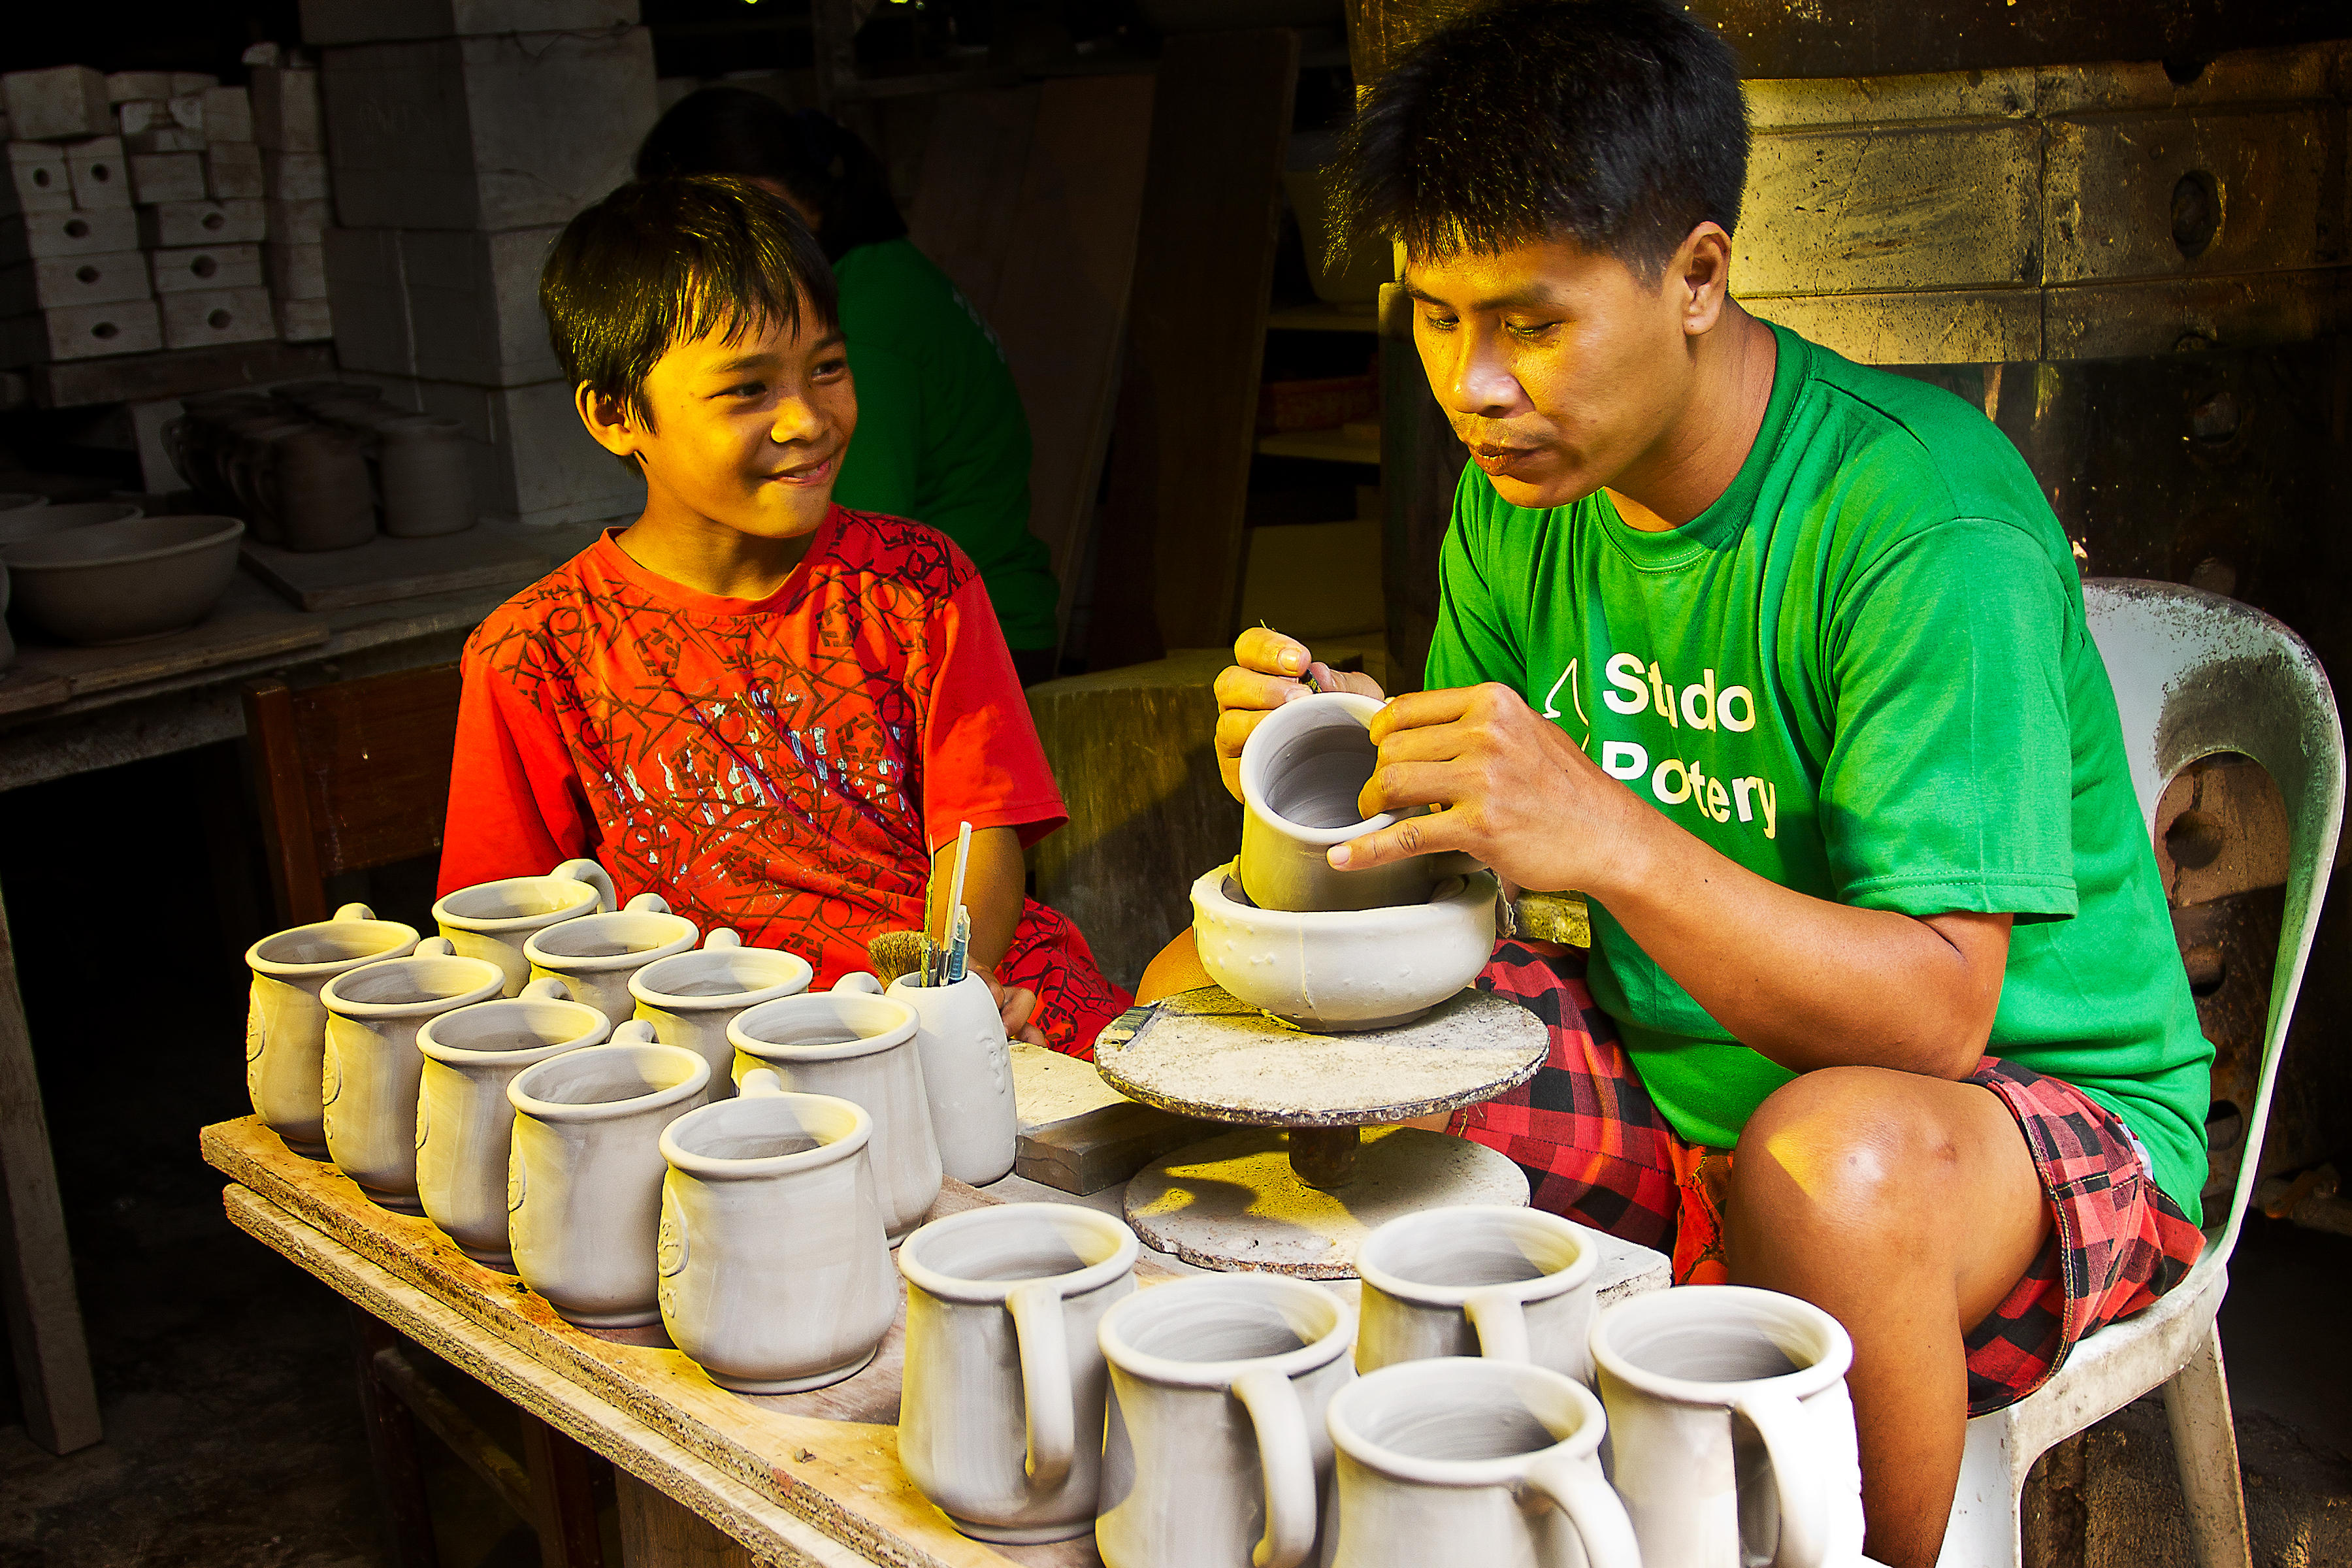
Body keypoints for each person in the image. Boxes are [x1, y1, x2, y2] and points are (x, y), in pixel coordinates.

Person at [1147, 4, 2211, 1562]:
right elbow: (1492, 880)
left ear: (1697, 274)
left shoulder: (1918, 526)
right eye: (1436, 318)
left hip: (2005, 1118)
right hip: (1677, 1066)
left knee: (1819, 1163)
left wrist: (1602, 828)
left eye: (1530, 320)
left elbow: (1934, 1017)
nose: (1474, 383)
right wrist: (1367, 766)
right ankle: (1449, 1507)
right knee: (1216, 1010)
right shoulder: (1522, 493)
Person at [438, 176, 1128, 1058]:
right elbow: (507, 932)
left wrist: (947, 989)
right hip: (738, 1057)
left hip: (984, 1004)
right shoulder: (535, 654)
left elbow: (977, 831)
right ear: (616, 416)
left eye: (828, 369)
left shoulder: (919, 583)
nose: (807, 419)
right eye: (747, 390)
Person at [636, 89, 1062, 685]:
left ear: (786, 195)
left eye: (728, 218)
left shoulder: (859, 319)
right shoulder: (880, 273)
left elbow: (846, 527)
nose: (718, 251)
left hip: (967, 643)